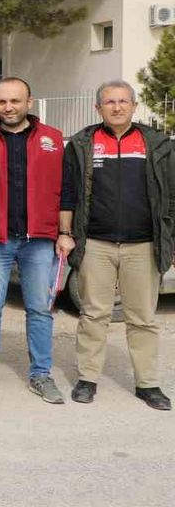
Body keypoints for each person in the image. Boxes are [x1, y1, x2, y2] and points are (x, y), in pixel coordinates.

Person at [63, 80, 173, 410]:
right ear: (99, 108)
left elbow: (171, 196)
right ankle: (87, 378)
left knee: (142, 317)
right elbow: (68, 193)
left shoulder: (156, 144)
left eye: (123, 101)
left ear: (134, 105)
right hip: (96, 242)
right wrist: (66, 233)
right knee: (94, 314)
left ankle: (148, 383)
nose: (117, 107)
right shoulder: (83, 143)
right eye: (109, 102)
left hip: (144, 246)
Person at [0, 77, 70, 404]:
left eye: (15, 101)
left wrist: (64, 232)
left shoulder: (53, 139)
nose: (8, 107)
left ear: (29, 102)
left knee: (39, 309)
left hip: (39, 239)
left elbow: (67, 191)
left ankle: (41, 374)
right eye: (2, 101)